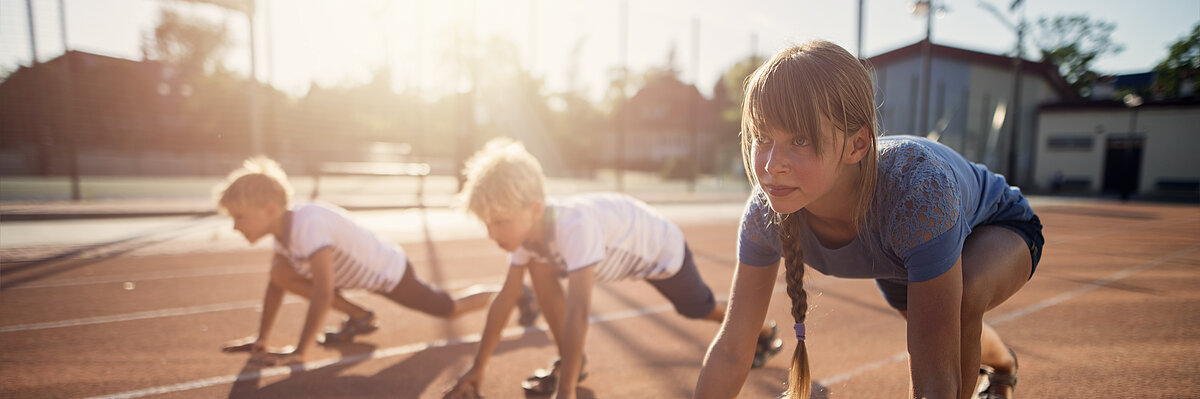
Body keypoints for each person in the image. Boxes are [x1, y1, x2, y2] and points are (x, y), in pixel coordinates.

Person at [693, 40, 1044, 399]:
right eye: (763, 137)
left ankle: (1001, 370)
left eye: (799, 139)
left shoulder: (915, 194)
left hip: (998, 225)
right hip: (898, 255)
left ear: (857, 145)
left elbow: (935, 379)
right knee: (940, 326)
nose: (771, 165)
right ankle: (1003, 363)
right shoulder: (764, 213)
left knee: (962, 301)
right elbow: (733, 349)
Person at [443, 139, 784, 399]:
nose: (492, 234)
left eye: (500, 222)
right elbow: (505, 298)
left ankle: (763, 334)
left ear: (534, 209)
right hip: (623, 245)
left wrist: (565, 393)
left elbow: (578, 313)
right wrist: (478, 367)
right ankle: (573, 363)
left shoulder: (573, 228)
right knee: (538, 268)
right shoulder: (526, 238)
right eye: (487, 223)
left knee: (697, 308)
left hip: (661, 251)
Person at [215, 157, 538, 366]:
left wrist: (301, 350)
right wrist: (262, 339)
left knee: (447, 308)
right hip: (357, 276)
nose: (235, 226)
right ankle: (361, 317)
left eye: (240, 217)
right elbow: (276, 286)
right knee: (280, 273)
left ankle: (518, 294)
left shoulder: (307, 225)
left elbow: (323, 292)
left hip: (388, 272)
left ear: (270, 209)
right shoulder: (284, 234)